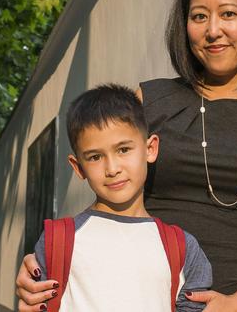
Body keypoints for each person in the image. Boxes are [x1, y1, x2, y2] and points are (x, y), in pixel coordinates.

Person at [17, 0, 237, 312]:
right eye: (198, 16)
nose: (212, 30)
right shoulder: (150, 100)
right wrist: (54, 255)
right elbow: (110, 187)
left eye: (228, 14)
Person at [32, 84, 212, 311]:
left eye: (123, 150)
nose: (112, 168)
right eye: (95, 156)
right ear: (78, 168)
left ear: (150, 149)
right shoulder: (56, 240)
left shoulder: (183, 248)